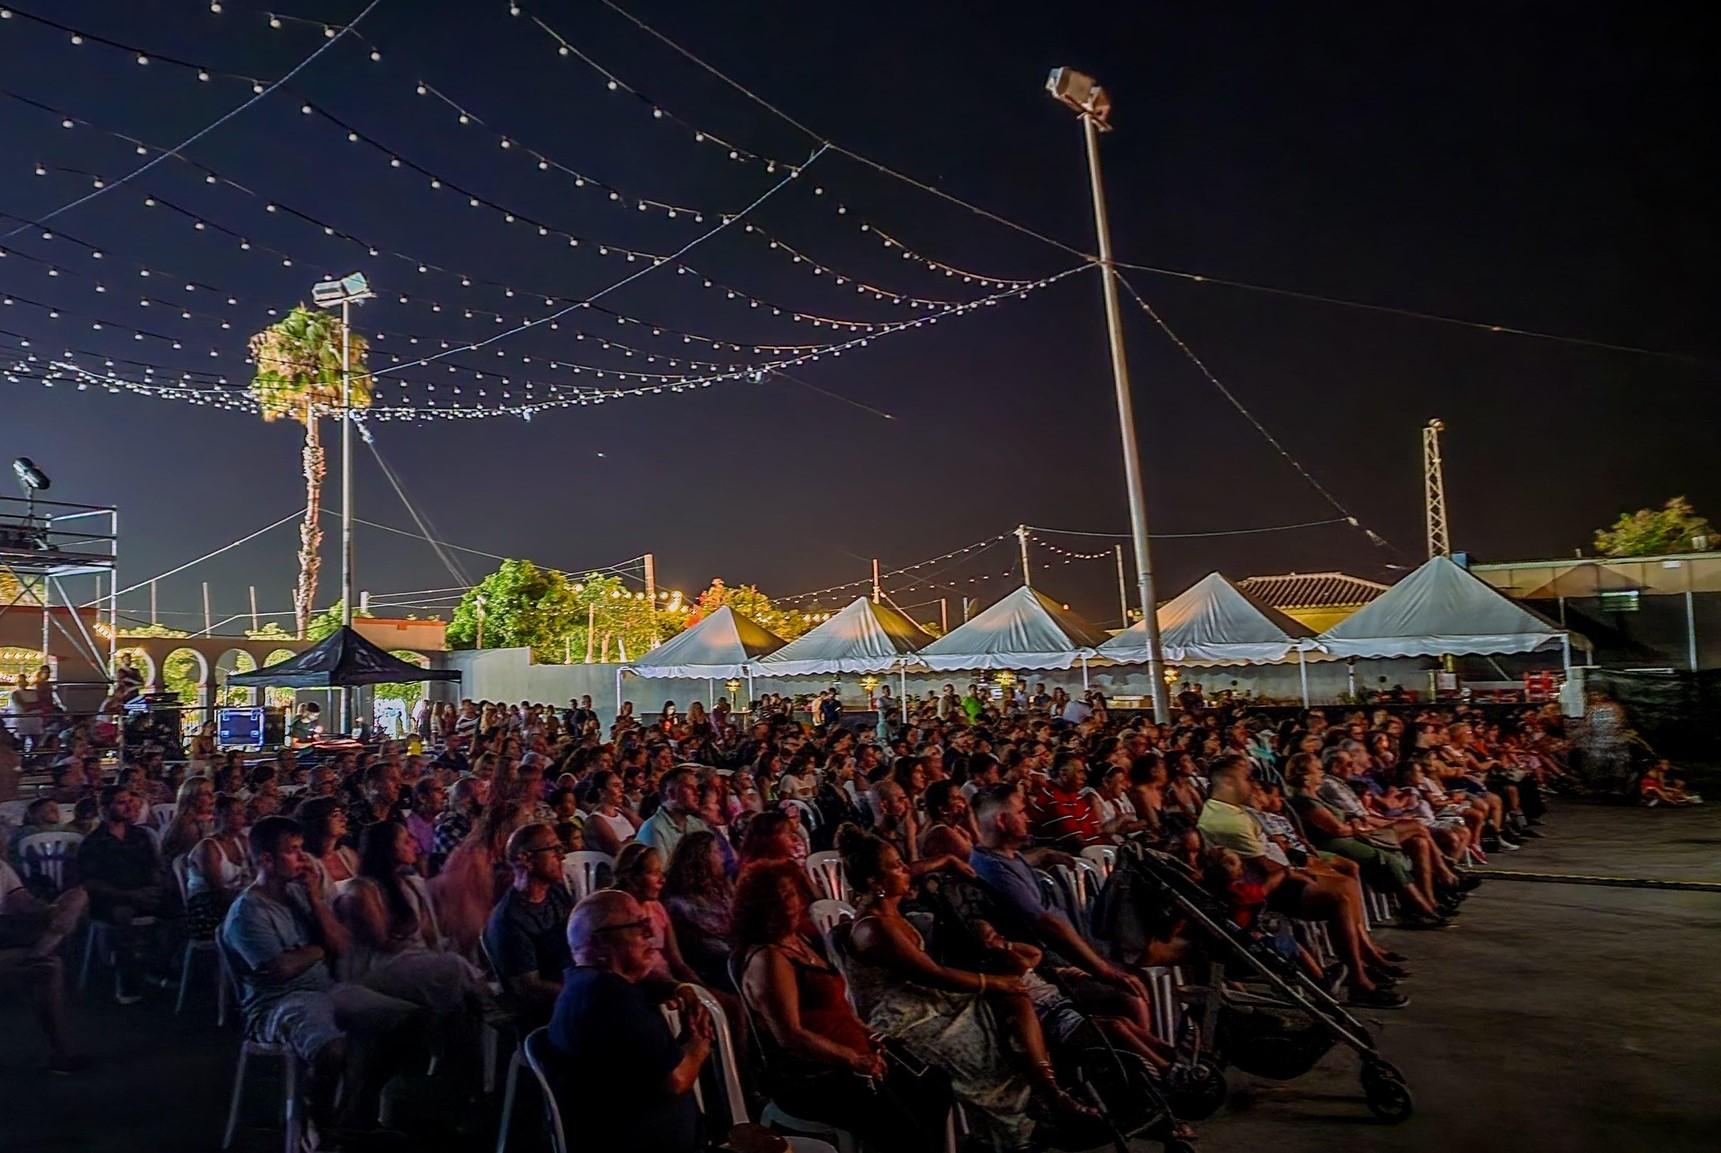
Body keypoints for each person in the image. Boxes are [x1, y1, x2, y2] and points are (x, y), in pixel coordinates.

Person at [830, 823, 1038, 1151]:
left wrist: (946, 861)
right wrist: (992, 983)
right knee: (983, 1039)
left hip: (925, 1000)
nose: (906, 870)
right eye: (897, 866)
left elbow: (914, 868)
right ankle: (1010, 1131)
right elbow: (933, 974)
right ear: (876, 882)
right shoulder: (874, 929)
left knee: (1010, 1008)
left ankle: (1035, 1104)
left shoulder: (887, 906)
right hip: (902, 1017)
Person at [221, 815, 421, 1143]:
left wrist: (315, 900)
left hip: (325, 989)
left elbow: (341, 944)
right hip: (279, 1003)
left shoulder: (300, 894)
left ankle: (355, 1111)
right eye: (293, 851)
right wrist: (320, 949)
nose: (303, 859)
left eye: (302, 849)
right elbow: (281, 969)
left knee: (407, 1020)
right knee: (333, 1049)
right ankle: (317, 1122)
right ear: (266, 860)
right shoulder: (248, 912)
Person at [734, 861, 949, 1153]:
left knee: (933, 1085)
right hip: (811, 1074)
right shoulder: (769, 960)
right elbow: (791, 1035)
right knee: (901, 1123)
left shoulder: (800, 941)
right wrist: (852, 1058)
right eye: (780, 897)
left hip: (848, 1057)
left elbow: (837, 1008)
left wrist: (869, 1036)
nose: (790, 903)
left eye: (792, 894)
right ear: (759, 906)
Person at [549, 890, 712, 1153]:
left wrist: (679, 988)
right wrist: (699, 1043)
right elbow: (676, 1080)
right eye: (638, 925)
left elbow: (646, 980)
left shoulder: (585, 983)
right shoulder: (612, 1001)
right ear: (600, 943)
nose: (651, 934)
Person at [75, 785, 171, 1003]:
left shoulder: (140, 836)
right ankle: (127, 981)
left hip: (142, 893)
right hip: (111, 898)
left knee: (177, 909)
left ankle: (160, 967)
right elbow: (91, 882)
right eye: (122, 802)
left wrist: (154, 887)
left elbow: (154, 867)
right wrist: (128, 895)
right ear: (106, 808)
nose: (129, 807)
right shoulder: (94, 842)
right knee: (122, 915)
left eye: (130, 801)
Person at [0, 853, 88, 1072]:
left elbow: (22, 901)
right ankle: (39, 954)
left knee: (78, 896)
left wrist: (52, 911)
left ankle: (40, 951)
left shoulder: (1, 868)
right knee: (50, 967)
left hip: (8, 931)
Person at [481, 822, 574, 1024]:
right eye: (554, 849)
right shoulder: (509, 920)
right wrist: (581, 991)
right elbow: (529, 987)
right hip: (553, 1012)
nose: (562, 856)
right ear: (527, 859)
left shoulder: (556, 893)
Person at [613, 842, 701, 986]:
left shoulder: (657, 908)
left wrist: (702, 988)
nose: (662, 880)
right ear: (632, 877)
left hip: (671, 983)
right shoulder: (619, 917)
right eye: (654, 873)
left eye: (662, 872)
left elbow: (677, 962)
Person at [661, 830, 735, 989]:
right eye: (715, 851)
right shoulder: (682, 901)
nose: (721, 856)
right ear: (702, 859)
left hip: (728, 954)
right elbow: (720, 936)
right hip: (712, 966)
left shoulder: (717, 887)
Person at [185, 795, 251, 938]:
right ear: (217, 816)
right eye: (232, 813)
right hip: (207, 903)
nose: (238, 818)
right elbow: (217, 891)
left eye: (241, 813)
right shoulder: (208, 847)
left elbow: (254, 876)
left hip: (236, 898)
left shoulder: (242, 841)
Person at [635, 767, 711, 864]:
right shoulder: (654, 829)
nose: (698, 793)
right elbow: (661, 874)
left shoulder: (697, 824)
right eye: (689, 787)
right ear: (671, 794)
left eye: (696, 788)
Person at [582, 769, 639, 856]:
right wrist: (636, 839)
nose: (621, 790)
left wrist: (631, 840)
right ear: (602, 791)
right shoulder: (595, 820)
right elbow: (618, 850)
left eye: (621, 785)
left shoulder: (622, 811)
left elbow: (644, 829)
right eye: (616, 786)